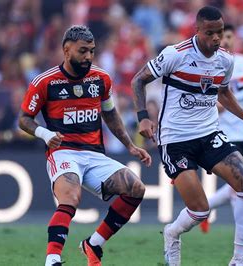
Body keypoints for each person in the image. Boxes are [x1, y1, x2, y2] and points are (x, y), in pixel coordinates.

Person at [131, 6, 243, 266]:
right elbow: (138, 80)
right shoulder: (175, 55)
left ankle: (238, 259)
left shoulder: (225, 60)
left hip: (209, 134)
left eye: (220, 32)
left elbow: (223, 93)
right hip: (175, 141)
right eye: (210, 33)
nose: (216, 38)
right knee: (200, 210)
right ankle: (172, 233)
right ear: (197, 30)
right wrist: (143, 116)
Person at [19, 25, 152, 266]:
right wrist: (44, 133)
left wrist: (130, 146)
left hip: (94, 154)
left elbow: (110, 115)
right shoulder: (45, 82)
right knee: (71, 196)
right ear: (66, 50)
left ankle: (94, 244)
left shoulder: (101, 79)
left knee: (136, 188)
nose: (88, 56)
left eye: (92, 51)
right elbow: (24, 119)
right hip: (63, 151)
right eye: (83, 51)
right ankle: (52, 260)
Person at [197, 24, 243, 249]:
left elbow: (242, 91)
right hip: (226, 131)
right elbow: (220, 101)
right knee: (240, 184)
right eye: (223, 37)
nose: (226, 41)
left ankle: (205, 209)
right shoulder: (213, 63)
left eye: (229, 37)